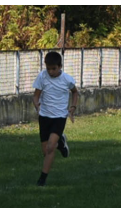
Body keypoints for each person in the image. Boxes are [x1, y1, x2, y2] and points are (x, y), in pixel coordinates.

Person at [32, 51, 78, 186]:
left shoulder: (67, 80)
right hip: (44, 117)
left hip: (59, 117)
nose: (51, 72)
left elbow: (75, 92)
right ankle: (61, 143)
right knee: (46, 150)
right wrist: (37, 105)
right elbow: (36, 95)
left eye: (54, 69)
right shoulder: (42, 77)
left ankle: (42, 179)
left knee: (50, 147)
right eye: (48, 69)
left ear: (60, 67)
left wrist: (73, 107)